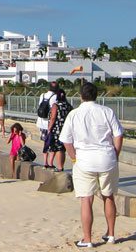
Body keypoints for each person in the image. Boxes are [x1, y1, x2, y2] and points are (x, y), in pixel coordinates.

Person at [60, 82, 124, 248]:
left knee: (86, 200)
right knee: (108, 196)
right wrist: (115, 154)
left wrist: (74, 158)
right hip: (107, 157)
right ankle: (111, 234)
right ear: (97, 95)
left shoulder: (74, 114)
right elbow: (118, 135)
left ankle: (87, 239)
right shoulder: (107, 111)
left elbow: (66, 140)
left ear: (81, 96)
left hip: (85, 160)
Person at [46, 88, 72, 172]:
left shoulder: (55, 105)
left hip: (57, 129)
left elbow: (53, 118)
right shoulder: (68, 105)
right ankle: (61, 166)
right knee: (63, 149)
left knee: (58, 149)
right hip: (66, 129)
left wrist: (49, 128)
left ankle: (60, 167)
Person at [36, 82, 59, 169]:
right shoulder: (55, 97)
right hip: (49, 124)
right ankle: (50, 163)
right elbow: (54, 114)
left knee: (45, 143)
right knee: (52, 144)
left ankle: (45, 162)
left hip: (41, 123)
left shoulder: (42, 95)